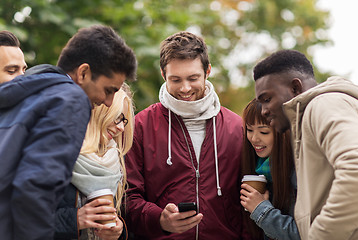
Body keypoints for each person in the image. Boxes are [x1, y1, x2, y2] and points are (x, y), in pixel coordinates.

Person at [0, 25, 137, 240]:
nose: (107, 102)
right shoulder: (70, 99)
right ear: (83, 72)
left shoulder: (32, 92)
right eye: (108, 90)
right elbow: (34, 190)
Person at [125, 31, 250, 240]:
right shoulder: (141, 126)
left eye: (193, 78)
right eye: (176, 79)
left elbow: (248, 202)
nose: (185, 88)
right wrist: (159, 220)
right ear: (163, 75)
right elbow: (128, 197)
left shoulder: (237, 127)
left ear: (207, 71)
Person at [253, 49, 358, 240]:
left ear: (295, 88)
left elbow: (357, 168)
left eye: (267, 99)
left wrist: (321, 235)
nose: (264, 111)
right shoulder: (313, 114)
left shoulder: (323, 104)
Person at [55, 83, 134, 240]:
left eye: (123, 121)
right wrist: (75, 220)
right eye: (117, 117)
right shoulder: (54, 152)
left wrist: (119, 232)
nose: (121, 128)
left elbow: (125, 218)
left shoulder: (116, 159)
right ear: (97, 111)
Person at [239, 99, 299, 240]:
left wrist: (261, 210)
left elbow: (305, 234)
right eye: (249, 130)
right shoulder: (256, 167)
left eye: (264, 132)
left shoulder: (298, 173)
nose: (254, 138)